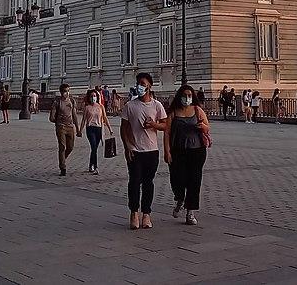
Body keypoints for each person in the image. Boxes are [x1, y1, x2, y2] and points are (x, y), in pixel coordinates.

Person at [121, 72, 166, 230]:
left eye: (143, 83)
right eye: (138, 83)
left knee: (148, 183)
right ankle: (134, 212)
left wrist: (154, 125)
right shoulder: (130, 106)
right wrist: (127, 146)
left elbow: (165, 125)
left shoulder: (157, 105)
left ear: (149, 86)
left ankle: (146, 213)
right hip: (135, 150)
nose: (140, 86)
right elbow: (124, 128)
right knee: (134, 181)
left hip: (152, 150)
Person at [165, 84, 210, 226]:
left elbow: (207, 127)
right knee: (177, 179)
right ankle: (180, 198)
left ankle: (190, 211)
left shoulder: (197, 110)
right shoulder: (173, 112)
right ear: (180, 96)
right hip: (178, 151)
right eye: (184, 95)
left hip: (196, 151)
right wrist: (167, 151)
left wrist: (202, 127)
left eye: (190, 95)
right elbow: (167, 133)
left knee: (194, 181)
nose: (187, 98)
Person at [49, 83, 79, 176]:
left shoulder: (72, 101)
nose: (67, 93)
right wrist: (58, 121)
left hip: (70, 127)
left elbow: (74, 115)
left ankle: (62, 159)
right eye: (65, 91)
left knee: (70, 147)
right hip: (61, 127)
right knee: (62, 147)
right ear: (61, 92)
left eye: (68, 91)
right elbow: (51, 117)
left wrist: (78, 129)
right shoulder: (57, 102)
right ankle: (63, 167)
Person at [81, 88, 111, 174]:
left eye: (94, 96)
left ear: (97, 97)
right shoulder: (87, 107)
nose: (93, 98)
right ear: (89, 98)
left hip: (99, 128)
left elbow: (105, 118)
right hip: (90, 128)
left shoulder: (101, 106)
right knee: (93, 146)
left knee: (94, 149)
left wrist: (110, 129)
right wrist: (80, 130)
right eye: (91, 96)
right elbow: (83, 120)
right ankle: (96, 166)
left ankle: (91, 164)